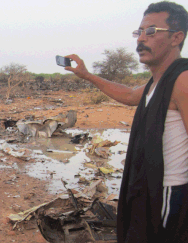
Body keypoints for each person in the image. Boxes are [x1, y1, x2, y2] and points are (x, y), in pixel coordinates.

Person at [65, 1, 188, 242]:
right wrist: (86, 75)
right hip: (147, 187)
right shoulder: (157, 82)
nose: (141, 39)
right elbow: (130, 94)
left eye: (151, 31)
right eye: (139, 32)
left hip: (168, 192)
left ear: (177, 38)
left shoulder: (182, 79)